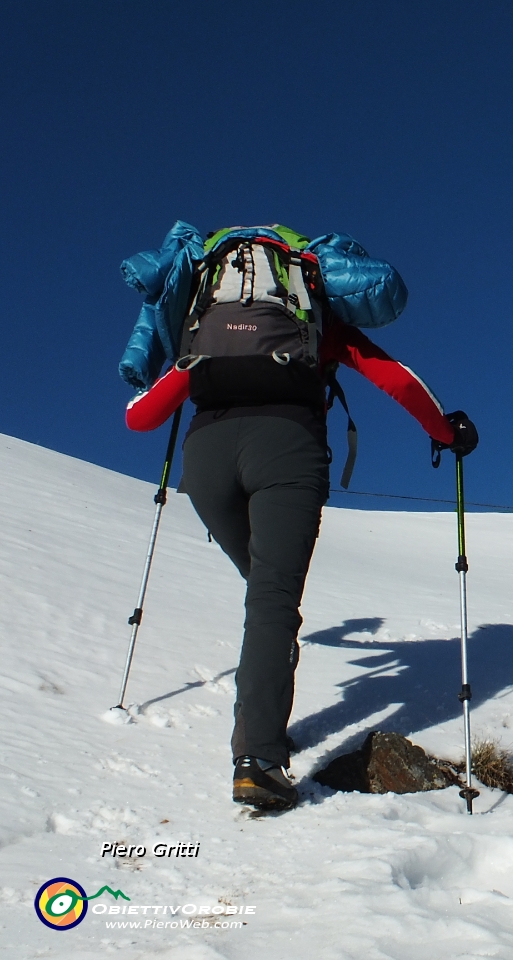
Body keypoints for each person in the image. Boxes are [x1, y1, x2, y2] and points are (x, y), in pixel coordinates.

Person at [124, 226, 477, 810]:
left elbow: (140, 418)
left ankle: (271, 688)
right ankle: (257, 761)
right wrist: (449, 431)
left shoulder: (207, 335)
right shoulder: (315, 326)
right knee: (271, 601)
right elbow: (394, 378)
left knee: (267, 594)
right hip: (287, 448)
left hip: (207, 463)